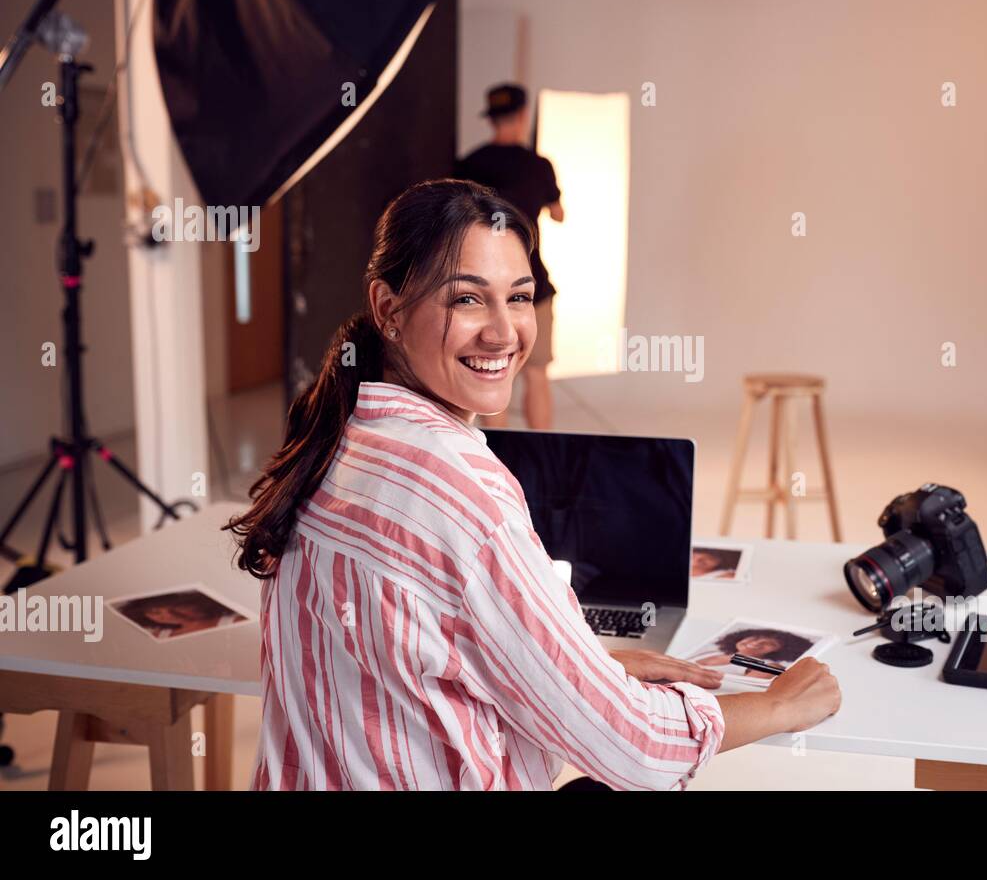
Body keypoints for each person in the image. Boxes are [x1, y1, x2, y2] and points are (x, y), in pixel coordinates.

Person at [226, 180, 840, 790]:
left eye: (519, 298)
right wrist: (780, 706)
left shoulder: (334, 439)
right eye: (467, 300)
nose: (503, 333)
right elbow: (639, 750)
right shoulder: (463, 494)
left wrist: (581, 669)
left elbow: (396, 662)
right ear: (388, 308)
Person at [454, 83, 563, 430]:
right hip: (532, 284)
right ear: (523, 115)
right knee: (537, 374)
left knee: (492, 378)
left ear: (491, 119)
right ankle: (541, 461)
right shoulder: (538, 165)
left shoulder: (468, 164)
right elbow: (559, 213)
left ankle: (497, 467)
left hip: (483, 289)